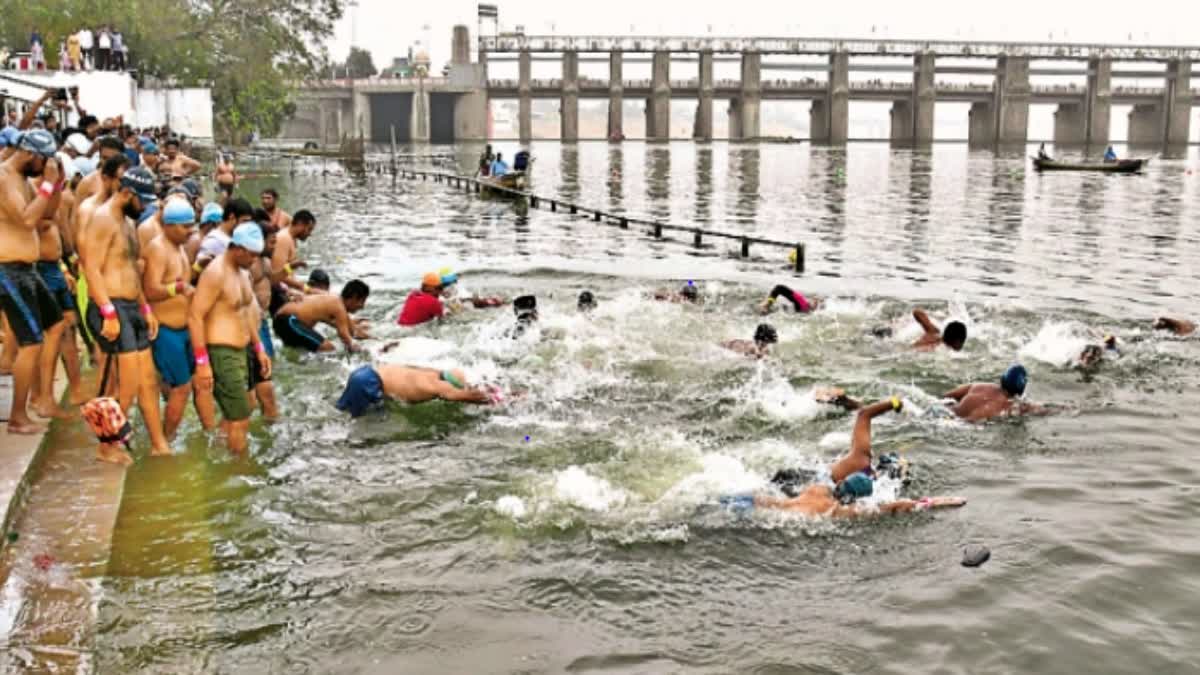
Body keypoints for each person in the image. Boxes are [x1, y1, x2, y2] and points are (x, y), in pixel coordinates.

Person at [735, 397, 967, 517]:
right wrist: (935, 502)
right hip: (800, 493)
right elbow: (897, 507)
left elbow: (864, 414)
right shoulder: (844, 509)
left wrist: (895, 402)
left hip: (798, 478)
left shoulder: (852, 464)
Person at [80, 166, 171, 462]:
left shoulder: (127, 222)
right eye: (141, 200)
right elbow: (90, 266)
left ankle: (160, 445)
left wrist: (145, 309)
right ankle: (106, 445)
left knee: (148, 382)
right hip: (112, 306)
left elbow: (131, 269)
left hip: (131, 307)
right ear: (128, 193)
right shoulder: (103, 218)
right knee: (128, 385)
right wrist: (107, 312)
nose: (144, 207)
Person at [0, 130, 66, 434]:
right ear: (30, 154)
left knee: (55, 323)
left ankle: (43, 398)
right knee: (30, 342)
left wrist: (56, 186)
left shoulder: (24, 181)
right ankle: (17, 416)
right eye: (44, 160)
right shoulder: (4, 177)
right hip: (8, 270)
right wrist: (48, 183)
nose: (44, 167)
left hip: (28, 269)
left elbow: (45, 218)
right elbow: (26, 220)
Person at [188, 223, 271, 454]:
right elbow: (195, 316)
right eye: (252, 255)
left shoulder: (243, 273)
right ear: (237, 249)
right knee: (241, 418)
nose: (254, 260)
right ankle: (240, 469)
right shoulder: (216, 273)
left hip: (243, 349)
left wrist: (259, 348)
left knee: (248, 405)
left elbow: (246, 313)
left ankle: (219, 447)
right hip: (222, 350)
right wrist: (202, 363)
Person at [142, 198, 210, 439]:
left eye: (192, 225)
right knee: (182, 388)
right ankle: (163, 440)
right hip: (166, 331)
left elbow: (182, 279)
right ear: (169, 225)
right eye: (185, 226)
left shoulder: (179, 247)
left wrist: (198, 270)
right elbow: (150, 290)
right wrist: (178, 288)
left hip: (184, 330)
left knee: (195, 384)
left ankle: (204, 432)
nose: (190, 231)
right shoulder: (158, 248)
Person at [32, 167, 85, 416]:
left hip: (55, 267)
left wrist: (65, 264)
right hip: (39, 269)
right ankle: (42, 397)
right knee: (46, 336)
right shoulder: (33, 193)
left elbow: (58, 230)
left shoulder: (56, 197)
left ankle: (75, 389)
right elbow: (39, 224)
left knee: (69, 328)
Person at [336, 364, 494, 417]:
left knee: (341, 412)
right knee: (355, 420)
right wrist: (497, 399)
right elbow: (466, 395)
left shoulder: (429, 372)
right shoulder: (435, 385)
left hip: (366, 372)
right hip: (368, 383)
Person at [273, 280, 369, 352]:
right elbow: (344, 335)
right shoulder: (338, 306)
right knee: (328, 347)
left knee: (304, 351)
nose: (362, 306)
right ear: (354, 298)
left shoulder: (335, 301)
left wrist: (372, 339)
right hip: (288, 321)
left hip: (284, 321)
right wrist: (362, 351)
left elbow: (352, 331)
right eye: (362, 301)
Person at [246, 221, 279, 419]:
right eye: (272, 242)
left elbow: (272, 281)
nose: (275, 246)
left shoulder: (265, 262)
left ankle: (266, 411)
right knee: (263, 375)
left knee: (269, 366)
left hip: (262, 321)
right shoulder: (249, 267)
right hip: (252, 325)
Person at [943, 365, 1048, 422]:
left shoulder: (980, 386)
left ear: (1003, 379)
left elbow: (947, 396)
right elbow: (1041, 409)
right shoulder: (1009, 405)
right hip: (960, 423)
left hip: (944, 411)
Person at [195, 198, 253, 272]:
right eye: (244, 221)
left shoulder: (237, 238)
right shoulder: (214, 241)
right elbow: (198, 273)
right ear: (232, 217)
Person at [272, 209, 315, 291]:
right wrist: (305, 288)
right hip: (279, 293)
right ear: (300, 224)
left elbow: (286, 271)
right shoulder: (283, 238)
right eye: (309, 229)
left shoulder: (291, 239)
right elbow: (278, 274)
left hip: (288, 290)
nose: (310, 234)